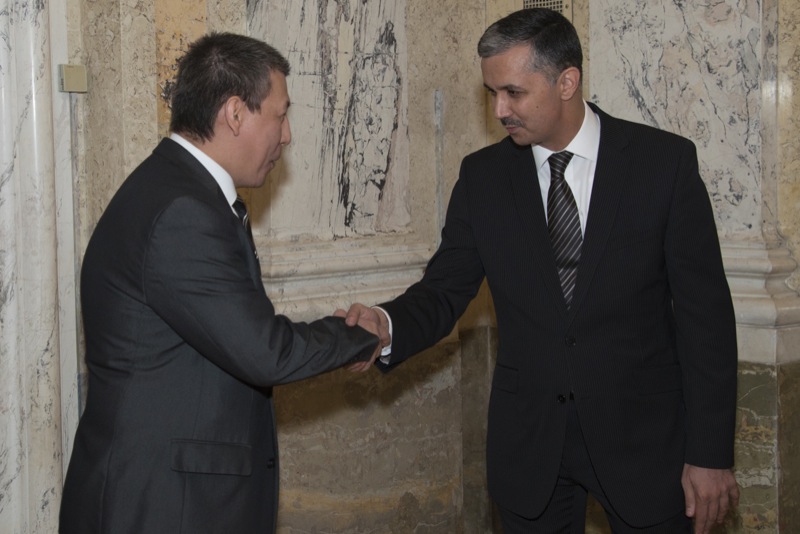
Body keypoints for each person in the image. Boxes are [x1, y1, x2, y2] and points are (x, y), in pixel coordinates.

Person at [343, 8, 739, 533]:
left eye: (514, 92)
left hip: (645, 445)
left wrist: (710, 454)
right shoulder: (483, 178)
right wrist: (387, 324)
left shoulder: (663, 164)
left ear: (566, 82)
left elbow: (705, 320)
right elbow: (443, 289)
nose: (499, 110)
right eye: (492, 93)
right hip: (530, 447)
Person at [59, 32, 382, 534]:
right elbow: (265, 352)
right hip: (162, 506)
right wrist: (362, 333)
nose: (287, 136)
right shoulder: (182, 211)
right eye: (280, 115)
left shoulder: (176, 188)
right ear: (235, 113)